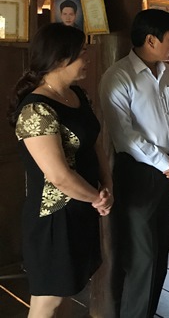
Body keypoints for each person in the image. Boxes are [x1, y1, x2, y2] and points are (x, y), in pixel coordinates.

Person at [7, 23, 113, 317]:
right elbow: (58, 177)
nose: (86, 59)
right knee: (48, 299)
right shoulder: (36, 109)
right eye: (81, 53)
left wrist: (107, 184)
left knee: (67, 290)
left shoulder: (77, 95)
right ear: (59, 59)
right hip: (54, 218)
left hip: (82, 208)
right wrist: (97, 197)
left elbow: (94, 143)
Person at [99, 9, 169, 317]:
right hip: (138, 175)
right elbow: (125, 136)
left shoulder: (168, 73)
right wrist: (165, 162)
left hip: (168, 173)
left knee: (160, 255)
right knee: (142, 259)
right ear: (151, 40)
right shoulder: (118, 77)